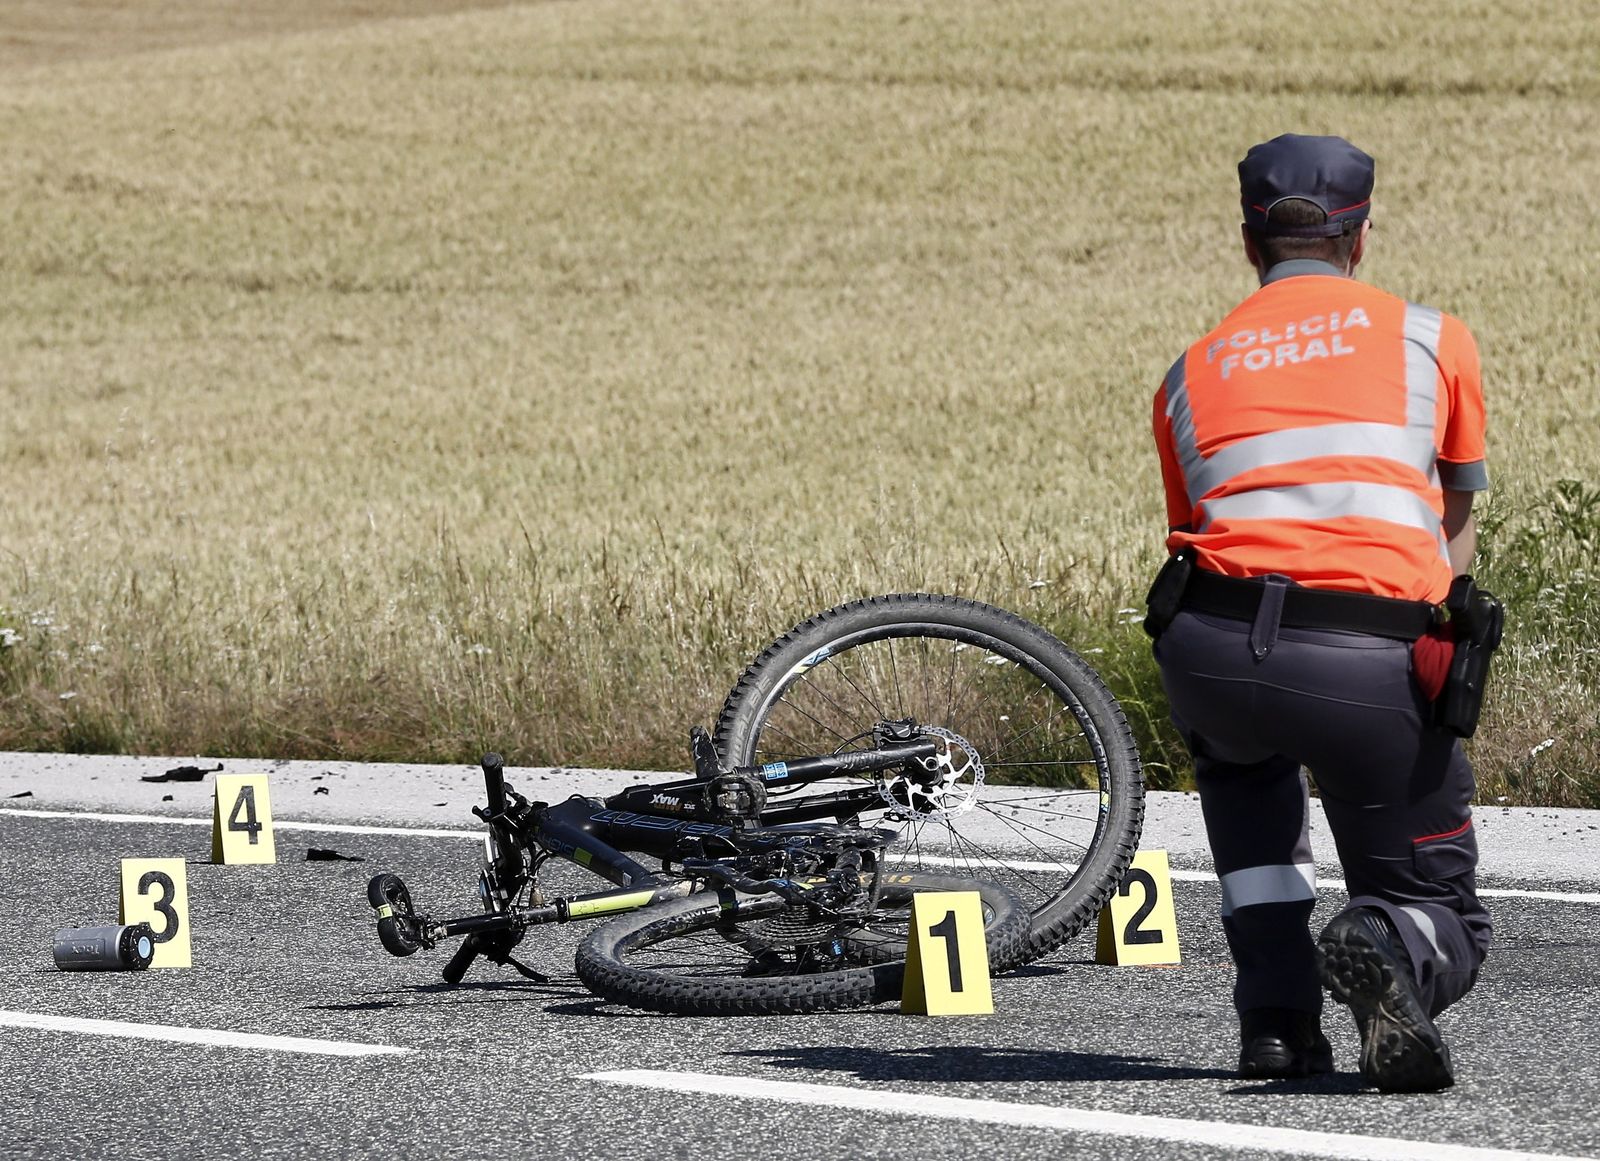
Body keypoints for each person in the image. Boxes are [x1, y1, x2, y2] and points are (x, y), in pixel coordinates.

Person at [1145, 134, 1492, 1093]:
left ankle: (1276, 1024)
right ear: (1361, 237)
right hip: (1362, 656)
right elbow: (1453, 526)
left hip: (1210, 647)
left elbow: (1197, 526)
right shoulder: (1433, 338)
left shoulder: (1187, 371)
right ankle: (1388, 935)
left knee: (1248, 788)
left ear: (1247, 243)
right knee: (1441, 907)